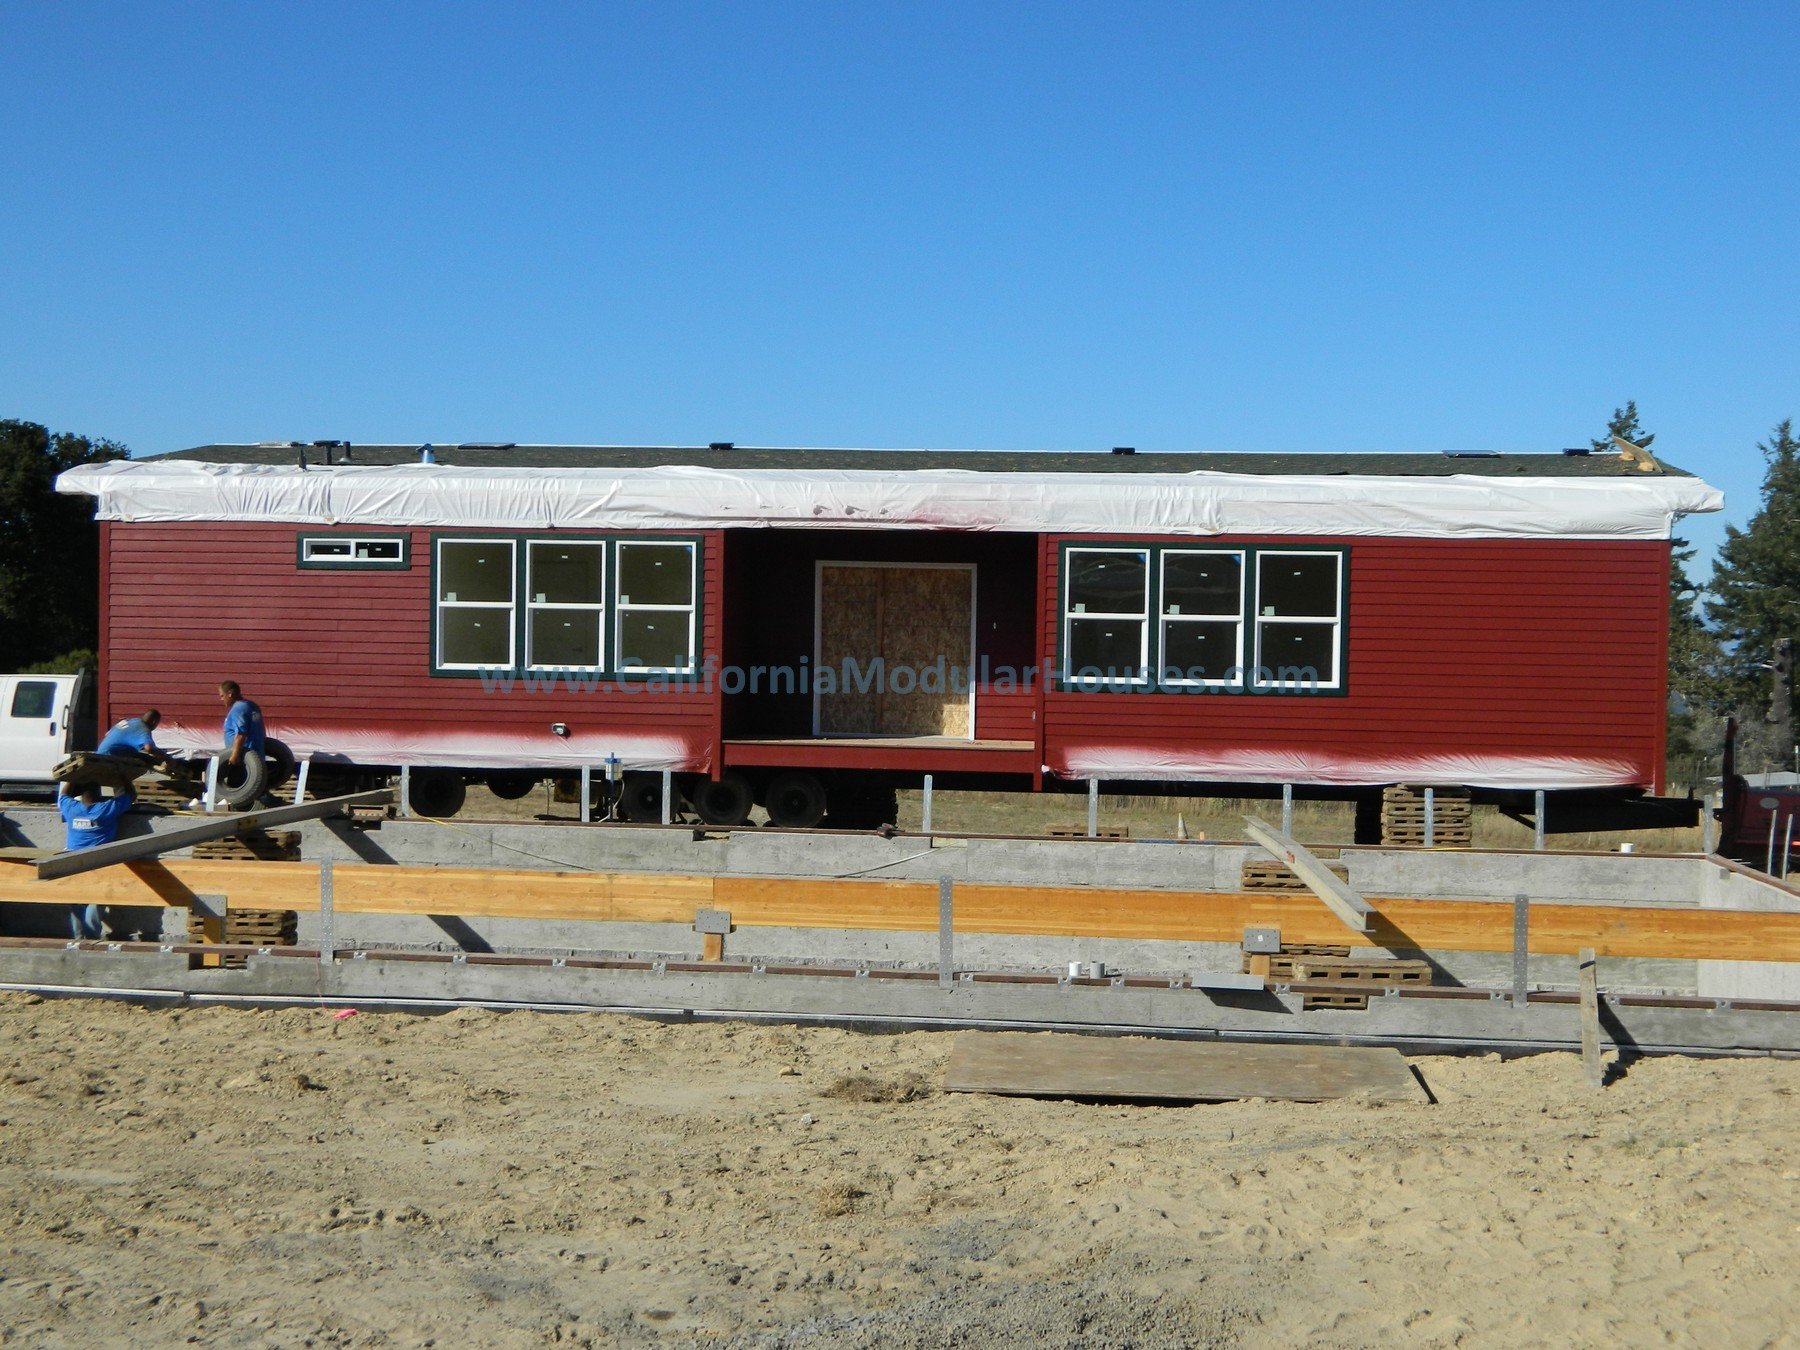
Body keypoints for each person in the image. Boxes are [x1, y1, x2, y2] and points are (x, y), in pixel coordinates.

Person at [56, 780, 134, 939]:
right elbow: (130, 796)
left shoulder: (72, 809)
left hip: (73, 861)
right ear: (99, 796)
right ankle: (92, 939)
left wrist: (73, 779)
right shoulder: (105, 809)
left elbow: (63, 795)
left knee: (76, 900)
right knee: (96, 898)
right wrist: (121, 777)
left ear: (80, 795)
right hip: (98, 863)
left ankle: (78, 939)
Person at [95, 708, 174, 771]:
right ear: (154, 722)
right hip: (111, 756)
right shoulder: (143, 728)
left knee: (136, 754)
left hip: (101, 752)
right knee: (149, 759)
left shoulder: (130, 721)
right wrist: (166, 757)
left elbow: (107, 734)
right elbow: (149, 748)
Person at [217, 680, 266, 768]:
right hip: (256, 755)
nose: (221, 699)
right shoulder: (252, 705)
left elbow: (240, 734)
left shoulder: (238, 708)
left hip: (243, 758)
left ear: (230, 694)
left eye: (222, 696)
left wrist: (234, 757)